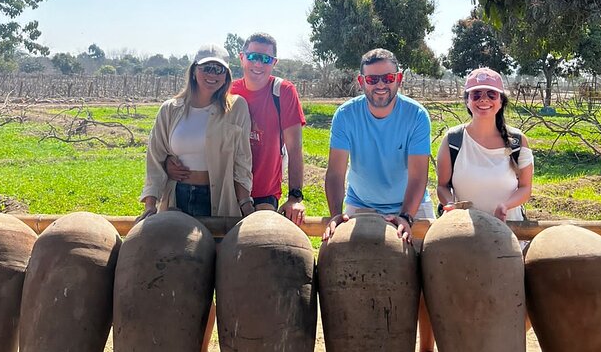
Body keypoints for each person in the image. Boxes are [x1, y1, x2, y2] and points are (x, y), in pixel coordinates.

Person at [322, 48, 435, 352]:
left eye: (387, 77)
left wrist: (407, 217)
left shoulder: (416, 115)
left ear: (398, 79)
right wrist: (335, 215)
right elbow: (335, 173)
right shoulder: (346, 115)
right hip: (361, 201)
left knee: (428, 278)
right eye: (373, 79)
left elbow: (417, 176)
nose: (380, 84)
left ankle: (425, 347)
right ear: (361, 81)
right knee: (350, 271)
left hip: (410, 202)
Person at [169, 32, 307, 225]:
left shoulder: (282, 92)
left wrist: (295, 197)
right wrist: (169, 161)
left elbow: (294, 150)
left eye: (265, 59)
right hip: (224, 191)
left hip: (263, 192)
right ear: (242, 58)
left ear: (274, 63)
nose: (258, 64)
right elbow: (200, 134)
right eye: (252, 57)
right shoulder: (225, 92)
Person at [139, 43, 253, 221]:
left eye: (219, 70)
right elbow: (155, 159)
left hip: (219, 199)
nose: (212, 74)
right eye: (206, 68)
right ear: (193, 71)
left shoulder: (237, 107)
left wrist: (245, 203)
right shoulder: (170, 109)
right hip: (177, 199)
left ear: (226, 76)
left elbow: (242, 160)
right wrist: (150, 205)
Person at [435, 67, 534, 224]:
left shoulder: (517, 141)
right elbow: (442, 186)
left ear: (501, 101)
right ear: (467, 101)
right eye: (476, 94)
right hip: (464, 231)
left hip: (509, 230)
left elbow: (525, 188)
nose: (483, 99)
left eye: (491, 94)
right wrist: (450, 204)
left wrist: (505, 206)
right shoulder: (453, 140)